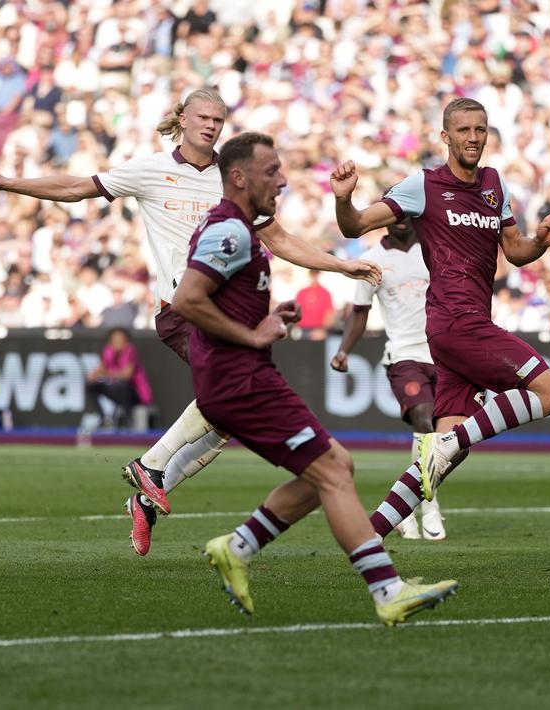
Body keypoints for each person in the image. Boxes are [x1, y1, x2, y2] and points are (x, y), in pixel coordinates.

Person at [0, 88, 380, 555]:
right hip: (187, 310)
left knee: (225, 420)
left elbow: (280, 239)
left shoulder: (232, 177)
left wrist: (342, 265)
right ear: (182, 118)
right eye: (203, 117)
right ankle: (153, 465)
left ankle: (146, 494)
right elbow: (77, 187)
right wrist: (7, 183)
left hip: (231, 312)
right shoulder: (151, 170)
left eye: (219, 119)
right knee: (231, 394)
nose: (211, 125)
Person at [174, 132, 456, 624]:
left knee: (331, 470)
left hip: (243, 375)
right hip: (238, 379)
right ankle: (388, 591)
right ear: (238, 177)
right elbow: (187, 301)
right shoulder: (230, 230)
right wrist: (252, 333)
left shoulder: (244, 225)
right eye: (270, 172)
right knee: (333, 472)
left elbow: (253, 265)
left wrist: (269, 315)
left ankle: (237, 547)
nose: (282, 180)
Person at [330, 97, 550, 540]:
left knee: (445, 455)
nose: (473, 138)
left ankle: (368, 535)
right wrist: (345, 201)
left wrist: (543, 240)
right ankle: (445, 445)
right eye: (463, 130)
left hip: (463, 324)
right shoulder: (423, 185)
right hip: (455, 322)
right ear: (446, 136)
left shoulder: (495, 184)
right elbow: (355, 226)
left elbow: (515, 252)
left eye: (480, 130)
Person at [329, 217, 446, 541]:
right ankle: (430, 506)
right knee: (423, 419)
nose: (399, 221)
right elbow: (361, 310)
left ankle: (403, 509)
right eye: (393, 215)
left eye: (405, 214)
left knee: (445, 437)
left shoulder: (433, 249)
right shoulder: (373, 261)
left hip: (443, 355)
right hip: (403, 355)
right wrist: (343, 351)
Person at [78, 328, 153, 437]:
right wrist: (93, 375)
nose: (117, 341)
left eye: (120, 338)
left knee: (121, 384)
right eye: (115, 338)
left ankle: (129, 420)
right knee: (91, 385)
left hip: (136, 394)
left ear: (126, 340)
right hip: (117, 391)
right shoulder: (108, 350)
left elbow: (126, 375)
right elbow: (101, 368)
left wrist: (106, 373)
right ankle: (102, 418)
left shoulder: (130, 350)